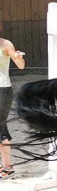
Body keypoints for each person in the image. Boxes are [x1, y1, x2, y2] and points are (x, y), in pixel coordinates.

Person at [0, 35, 25, 180]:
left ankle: (8, 167)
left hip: (2, 90)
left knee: (1, 129)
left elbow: (20, 66)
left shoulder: (5, 44)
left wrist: (19, 58)